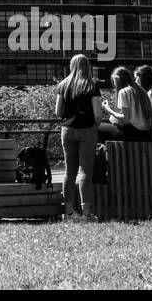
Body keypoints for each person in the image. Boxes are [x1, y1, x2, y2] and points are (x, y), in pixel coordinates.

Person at [54, 53, 103, 221]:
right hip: (87, 131)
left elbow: (58, 112)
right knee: (85, 172)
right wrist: (95, 125)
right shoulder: (91, 86)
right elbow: (98, 114)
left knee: (69, 172)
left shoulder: (63, 85)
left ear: (72, 66)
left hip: (67, 131)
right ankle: (87, 213)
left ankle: (68, 212)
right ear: (87, 67)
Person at [99, 67, 152, 142]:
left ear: (117, 81)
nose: (114, 85)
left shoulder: (124, 92)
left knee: (96, 128)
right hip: (146, 134)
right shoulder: (141, 91)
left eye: (114, 82)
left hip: (133, 134)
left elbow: (125, 119)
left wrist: (108, 109)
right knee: (104, 125)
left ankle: (103, 152)